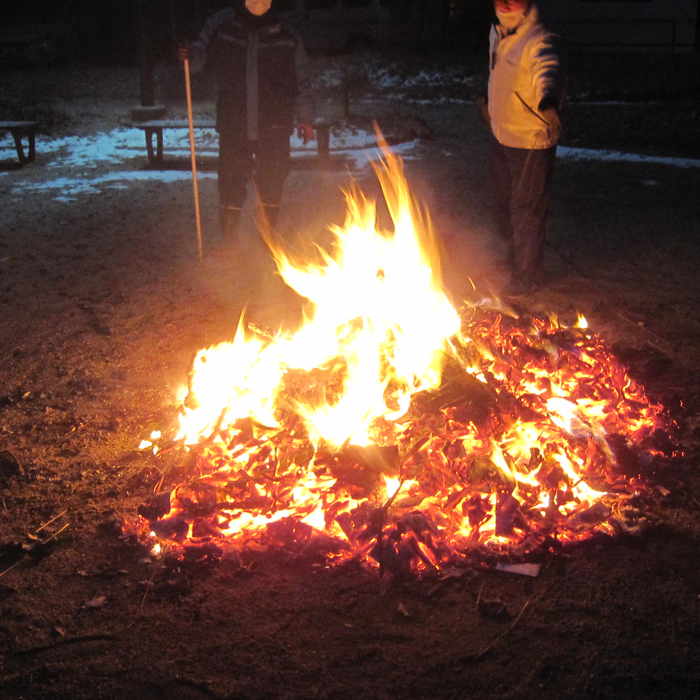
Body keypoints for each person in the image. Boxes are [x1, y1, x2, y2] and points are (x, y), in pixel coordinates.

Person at [179, 0, 315, 251]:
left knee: (273, 177)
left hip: (274, 120)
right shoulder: (223, 25)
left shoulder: (286, 34)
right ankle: (230, 241)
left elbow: (302, 78)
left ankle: (267, 239)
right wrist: (191, 56)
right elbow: (199, 58)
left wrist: (305, 117)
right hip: (235, 120)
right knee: (231, 177)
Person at [477, 0, 565, 297]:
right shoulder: (499, 31)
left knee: (526, 209)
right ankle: (517, 259)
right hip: (501, 133)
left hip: (530, 138)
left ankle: (528, 275)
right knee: (502, 205)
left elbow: (548, 69)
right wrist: (488, 101)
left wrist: (549, 102)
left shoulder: (539, 36)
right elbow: (498, 72)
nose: (504, 2)